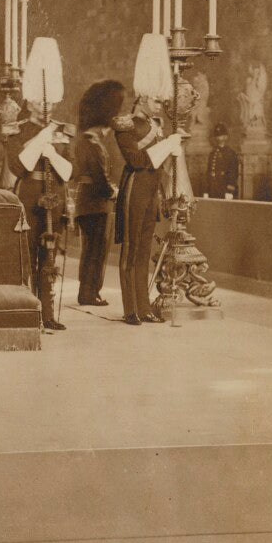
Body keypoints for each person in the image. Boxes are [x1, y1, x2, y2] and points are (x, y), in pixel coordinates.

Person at [113, 33, 181, 325]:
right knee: (130, 249)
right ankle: (130, 308)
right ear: (141, 96)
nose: (158, 106)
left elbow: (160, 166)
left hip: (151, 190)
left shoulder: (157, 124)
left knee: (144, 249)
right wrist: (164, 141)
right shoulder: (125, 123)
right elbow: (137, 160)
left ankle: (144, 306)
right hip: (134, 188)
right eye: (154, 100)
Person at [7, 37, 74, 331]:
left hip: (55, 195)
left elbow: (69, 170)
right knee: (26, 253)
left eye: (50, 101)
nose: (46, 106)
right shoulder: (17, 130)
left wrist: (51, 150)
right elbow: (18, 166)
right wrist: (40, 141)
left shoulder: (63, 130)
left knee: (49, 257)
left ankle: (47, 312)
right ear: (31, 99)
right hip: (29, 193)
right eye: (41, 100)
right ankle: (26, 310)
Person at [74, 79, 126, 306]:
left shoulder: (86, 141)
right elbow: (98, 178)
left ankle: (88, 292)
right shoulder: (91, 143)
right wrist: (112, 191)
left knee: (91, 251)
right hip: (95, 205)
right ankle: (90, 292)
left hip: (89, 204)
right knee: (96, 252)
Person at [206, 122, 239, 199]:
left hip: (225, 189)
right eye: (217, 136)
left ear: (225, 137)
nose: (218, 138)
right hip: (213, 189)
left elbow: (233, 173)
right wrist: (207, 191)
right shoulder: (212, 153)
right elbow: (208, 173)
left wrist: (230, 191)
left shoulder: (230, 153)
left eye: (220, 135)